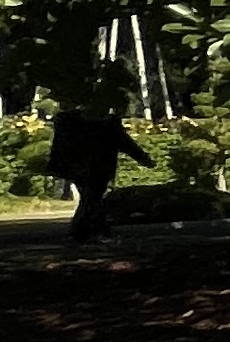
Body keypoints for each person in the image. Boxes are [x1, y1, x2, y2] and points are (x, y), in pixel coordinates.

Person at [47, 103, 153, 243]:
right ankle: (89, 231)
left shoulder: (68, 121)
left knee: (90, 197)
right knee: (92, 198)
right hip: (97, 166)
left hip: (78, 166)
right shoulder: (106, 123)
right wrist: (143, 159)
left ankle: (85, 231)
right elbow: (125, 142)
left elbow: (61, 146)